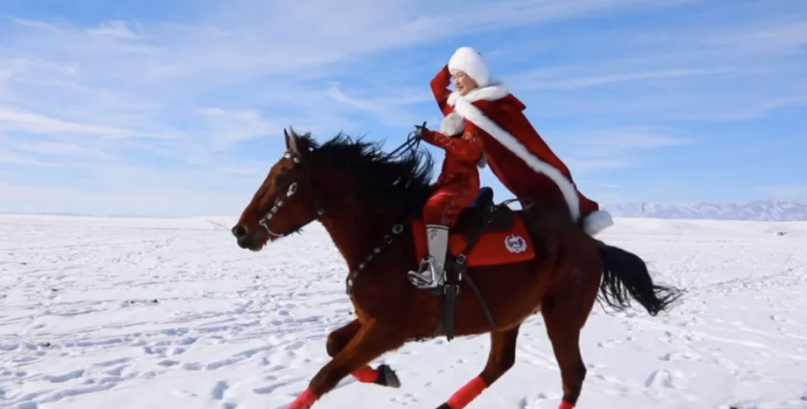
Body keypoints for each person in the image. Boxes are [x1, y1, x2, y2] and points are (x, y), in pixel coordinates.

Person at [428, 46, 613, 236]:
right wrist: (453, 63)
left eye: (460, 75)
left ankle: (580, 224)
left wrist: (431, 136)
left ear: (475, 75)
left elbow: (529, 142)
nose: (456, 82)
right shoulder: (460, 106)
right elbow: (436, 85)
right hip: (504, 172)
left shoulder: (493, 105)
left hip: (522, 169)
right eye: (454, 76)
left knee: (550, 202)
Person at [406, 118, 485, 289]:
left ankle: (436, 272)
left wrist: (430, 136)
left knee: (434, 208)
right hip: (452, 186)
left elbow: (461, 149)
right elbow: (445, 179)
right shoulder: (452, 154)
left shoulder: (467, 146)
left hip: (463, 188)